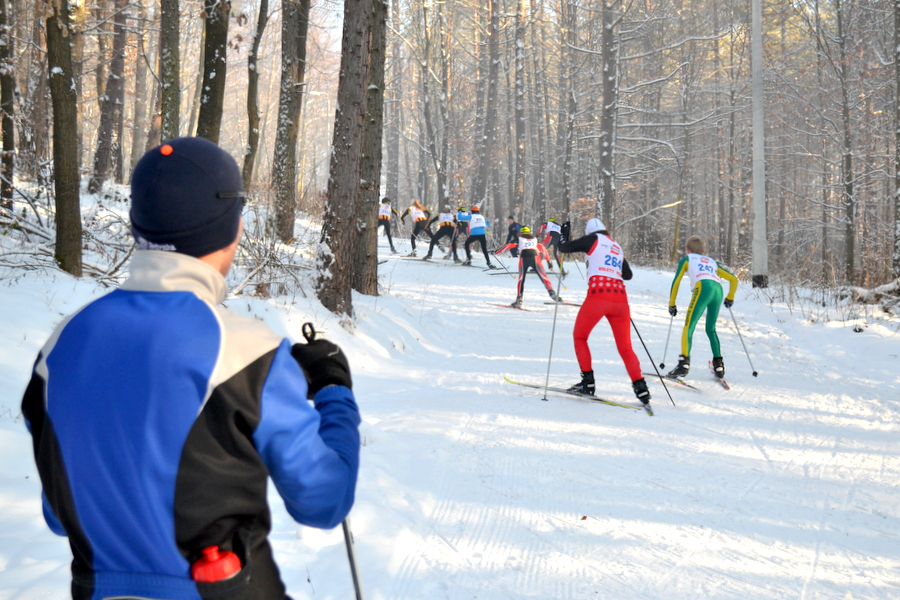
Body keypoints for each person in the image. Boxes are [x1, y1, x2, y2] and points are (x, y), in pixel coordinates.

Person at [21, 137, 361, 600]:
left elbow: (58, 513)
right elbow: (322, 500)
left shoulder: (59, 349)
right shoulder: (250, 352)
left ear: (137, 225)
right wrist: (335, 392)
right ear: (231, 229)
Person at [558, 218, 651, 407]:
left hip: (599, 295)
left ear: (591, 232)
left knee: (580, 337)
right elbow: (628, 275)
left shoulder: (592, 240)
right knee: (625, 347)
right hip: (620, 299)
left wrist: (563, 236)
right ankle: (641, 389)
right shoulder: (616, 246)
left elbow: (565, 248)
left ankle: (588, 383)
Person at [666, 235, 738, 379]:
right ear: (703, 250)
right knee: (711, 329)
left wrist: (672, 303)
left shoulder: (687, 259)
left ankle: (683, 364)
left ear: (687, 249)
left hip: (703, 288)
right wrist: (730, 297)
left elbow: (676, 281)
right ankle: (718, 365)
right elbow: (733, 279)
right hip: (718, 290)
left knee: (689, 326)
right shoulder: (712, 262)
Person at [495, 226, 560, 307]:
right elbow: (543, 248)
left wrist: (496, 252)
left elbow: (508, 246)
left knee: (521, 279)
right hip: (535, 258)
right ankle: (552, 293)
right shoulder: (534, 239)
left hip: (524, 258)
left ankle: (519, 300)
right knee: (543, 276)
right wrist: (549, 262)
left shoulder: (519, 238)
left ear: (521, 232)